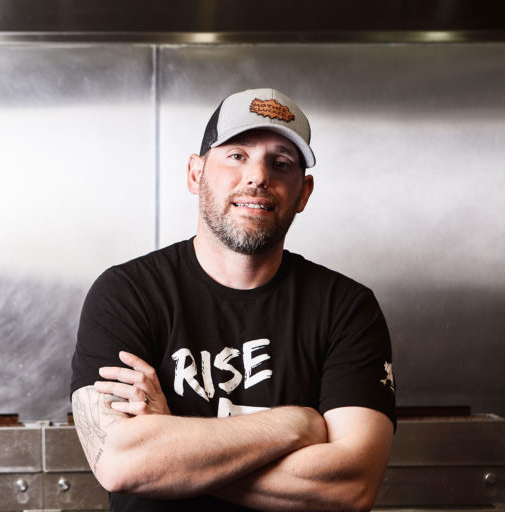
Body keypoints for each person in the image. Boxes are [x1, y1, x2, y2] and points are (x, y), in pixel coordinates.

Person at [70, 88, 396, 511]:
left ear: (304, 192)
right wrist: (298, 423)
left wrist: (170, 447)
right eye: (237, 155)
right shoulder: (127, 294)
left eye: (280, 163)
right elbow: (120, 462)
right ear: (195, 173)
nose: (258, 176)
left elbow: (349, 487)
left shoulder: (347, 309)